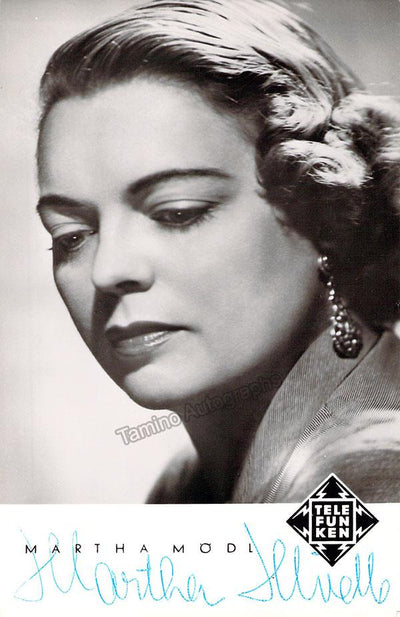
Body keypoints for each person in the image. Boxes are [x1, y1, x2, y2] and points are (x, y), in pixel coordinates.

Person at [36, 0, 400, 503]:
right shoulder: (188, 487)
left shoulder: (368, 480)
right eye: (71, 235)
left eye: (177, 213)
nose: (108, 270)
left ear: (327, 214)